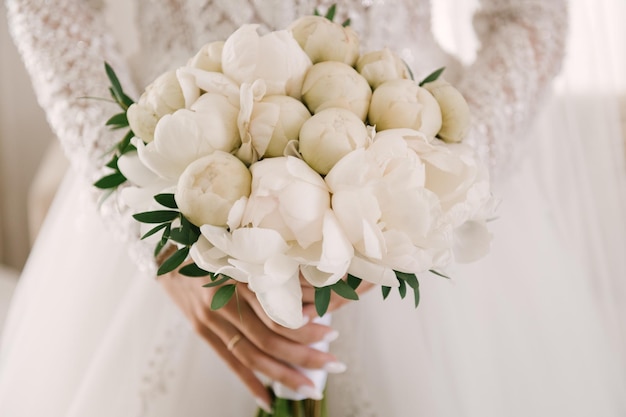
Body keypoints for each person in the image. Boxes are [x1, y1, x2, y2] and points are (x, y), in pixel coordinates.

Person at [1, 0, 625, 416]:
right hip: (181, 173)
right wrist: (157, 238)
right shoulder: (163, 220)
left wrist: (427, 199)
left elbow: (531, 19)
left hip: (407, 172)